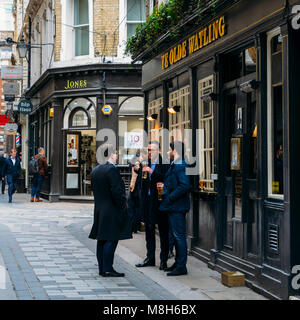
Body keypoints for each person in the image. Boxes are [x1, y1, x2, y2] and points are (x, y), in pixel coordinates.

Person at [89, 144, 132, 277]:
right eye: (116, 153)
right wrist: (123, 205)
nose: (117, 156)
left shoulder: (96, 170)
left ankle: (103, 268)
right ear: (111, 154)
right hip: (111, 210)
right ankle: (108, 268)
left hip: (100, 209)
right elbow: (117, 192)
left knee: (102, 239)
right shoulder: (111, 170)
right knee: (111, 239)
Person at [135, 140, 170, 271]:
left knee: (163, 232)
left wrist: (152, 172)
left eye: (152, 150)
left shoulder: (165, 163)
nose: (149, 152)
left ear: (159, 151)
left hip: (160, 202)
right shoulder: (146, 162)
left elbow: (166, 179)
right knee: (149, 230)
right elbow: (143, 181)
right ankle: (150, 258)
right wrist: (138, 171)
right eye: (148, 150)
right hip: (147, 201)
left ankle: (163, 261)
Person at [160, 141, 191, 276]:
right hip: (173, 207)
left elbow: (184, 185)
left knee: (179, 237)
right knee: (175, 235)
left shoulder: (180, 165)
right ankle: (178, 263)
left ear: (175, 151)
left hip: (177, 207)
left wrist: (170, 197)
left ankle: (181, 266)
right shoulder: (175, 164)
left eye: (169, 149)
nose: (167, 152)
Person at [128, 148, 147, 233]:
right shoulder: (137, 160)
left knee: (136, 208)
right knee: (134, 207)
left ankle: (135, 227)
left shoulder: (145, 162)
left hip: (139, 187)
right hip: (135, 187)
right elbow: (130, 164)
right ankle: (134, 227)